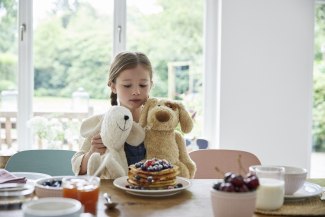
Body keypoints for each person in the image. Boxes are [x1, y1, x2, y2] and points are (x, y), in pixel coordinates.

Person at [71, 51, 153, 176]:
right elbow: (78, 166)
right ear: (113, 86)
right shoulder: (104, 123)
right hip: (112, 193)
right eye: (127, 85)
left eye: (143, 85)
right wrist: (93, 151)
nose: (136, 91)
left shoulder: (157, 123)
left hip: (151, 193)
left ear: (150, 85)